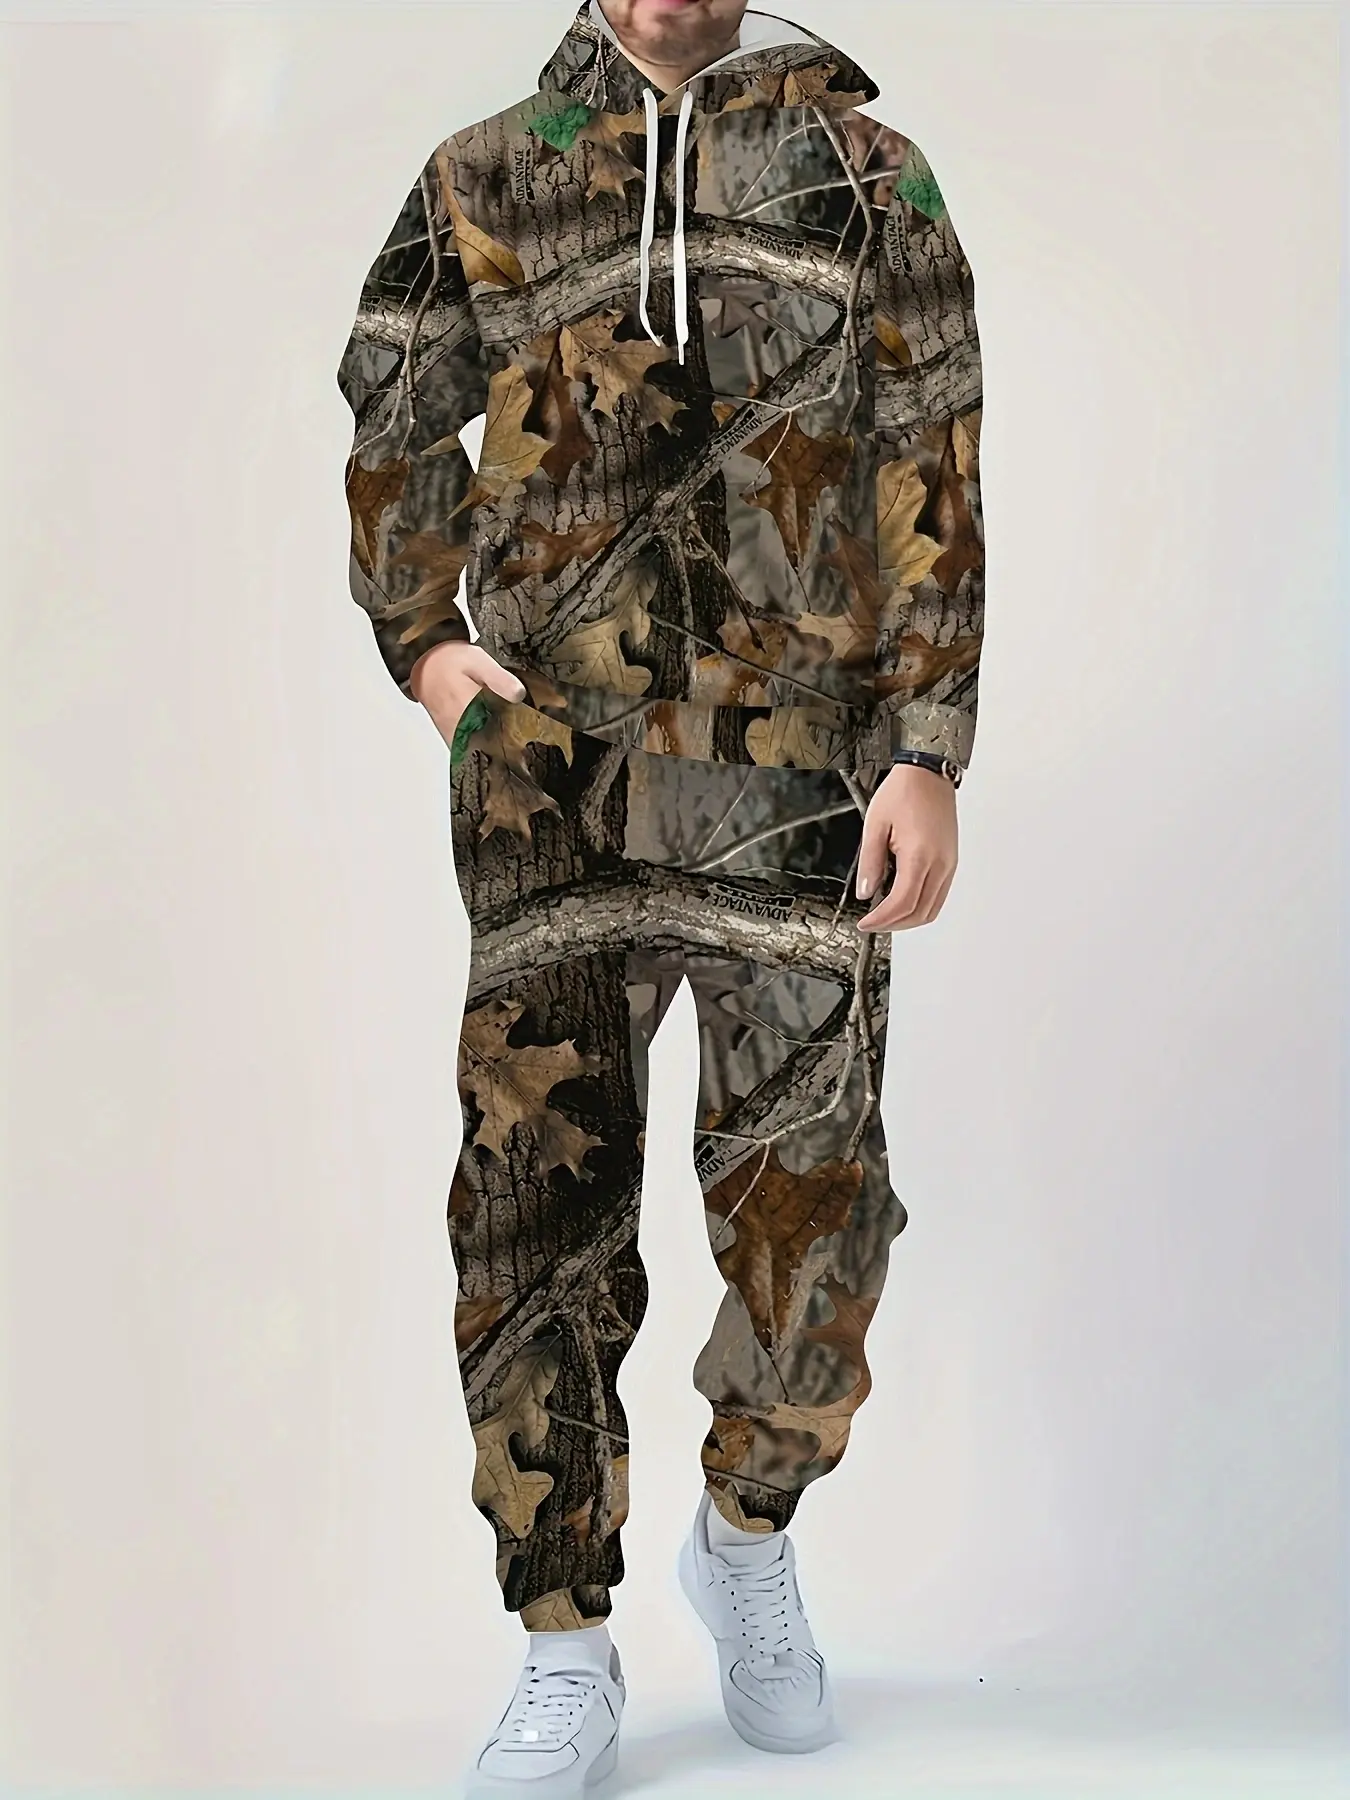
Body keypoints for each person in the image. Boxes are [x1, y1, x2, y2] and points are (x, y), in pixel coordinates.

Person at [335, 0, 983, 1791]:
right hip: (554, 788)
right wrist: (424, 644)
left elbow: (932, 447)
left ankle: (748, 1533)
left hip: (804, 783)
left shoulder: (867, 174)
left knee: (817, 1214)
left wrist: (928, 746)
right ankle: (562, 1641)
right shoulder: (487, 172)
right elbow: (394, 399)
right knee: (533, 1216)